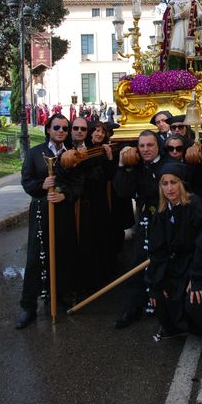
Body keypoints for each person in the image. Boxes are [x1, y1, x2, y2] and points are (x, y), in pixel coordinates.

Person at [148, 162, 202, 372]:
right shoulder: (161, 212)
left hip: (200, 263)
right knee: (157, 297)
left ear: (181, 184)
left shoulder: (195, 205)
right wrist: (155, 282)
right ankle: (176, 328)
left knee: (194, 302)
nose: (169, 188)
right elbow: (158, 250)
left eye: (174, 183)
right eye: (165, 184)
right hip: (175, 266)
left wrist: (197, 279)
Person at [15, 114, 80, 329]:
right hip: (42, 211)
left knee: (62, 253)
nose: (61, 130)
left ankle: (56, 298)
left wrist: (65, 195)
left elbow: (79, 185)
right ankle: (28, 306)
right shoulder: (35, 153)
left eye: (65, 128)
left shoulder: (72, 154)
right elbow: (26, 182)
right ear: (48, 130)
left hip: (63, 211)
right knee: (36, 256)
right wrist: (42, 186)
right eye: (57, 127)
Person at [113, 130, 166, 328]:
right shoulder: (135, 167)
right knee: (138, 262)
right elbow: (122, 191)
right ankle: (133, 307)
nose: (145, 149)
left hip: (166, 219)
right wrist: (122, 165)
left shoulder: (168, 164)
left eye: (150, 145)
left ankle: (163, 307)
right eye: (142, 145)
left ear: (158, 146)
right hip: (146, 219)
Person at [75, 121, 118, 294]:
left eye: (102, 132)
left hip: (100, 199)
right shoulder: (82, 149)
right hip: (85, 200)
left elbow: (110, 175)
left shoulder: (104, 149)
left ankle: (104, 271)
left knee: (103, 233)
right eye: (96, 131)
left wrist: (108, 157)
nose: (99, 134)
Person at [160, 0, 202, 70]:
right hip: (177, 28)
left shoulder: (193, 2)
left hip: (190, 29)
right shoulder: (173, 4)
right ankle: (174, 76)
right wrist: (179, 15)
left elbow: (200, 16)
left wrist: (201, 16)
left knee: (191, 50)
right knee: (175, 48)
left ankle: (191, 74)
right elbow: (167, 18)